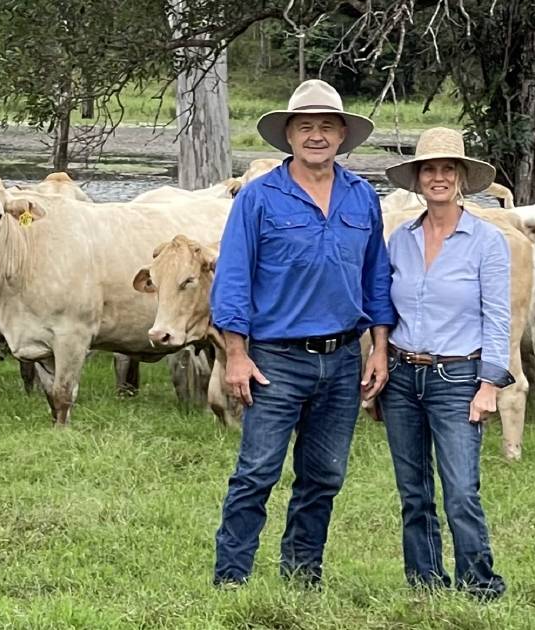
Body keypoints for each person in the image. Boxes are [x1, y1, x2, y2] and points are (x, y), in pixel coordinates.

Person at [209, 79, 395, 588]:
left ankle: (302, 575)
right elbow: (233, 280)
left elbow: (377, 279)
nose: (317, 135)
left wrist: (378, 348)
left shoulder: (362, 198)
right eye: (306, 126)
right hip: (274, 360)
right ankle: (232, 579)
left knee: (324, 475)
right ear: (289, 136)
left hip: (341, 359)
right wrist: (236, 355)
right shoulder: (259, 198)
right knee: (257, 473)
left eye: (327, 127)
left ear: (342, 137)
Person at [378, 126, 513, 600]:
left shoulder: (487, 241)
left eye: (447, 169)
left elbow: (498, 316)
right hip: (400, 374)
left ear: (460, 178)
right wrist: (376, 365)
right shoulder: (400, 239)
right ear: (417, 180)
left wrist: (489, 383)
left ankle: (480, 584)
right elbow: (384, 309)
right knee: (413, 492)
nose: (438, 178)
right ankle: (425, 583)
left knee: (460, 491)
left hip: (456, 375)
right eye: (428, 169)